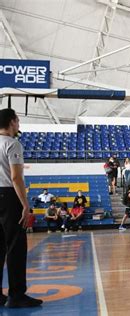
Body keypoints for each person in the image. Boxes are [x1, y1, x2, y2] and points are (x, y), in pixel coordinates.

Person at [0, 108, 42, 308]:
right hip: (8, 196)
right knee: (15, 246)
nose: (18, 125)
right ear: (11, 122)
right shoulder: (12, 143)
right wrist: (25, 205)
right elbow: (16, 177)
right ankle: (16, 295)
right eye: (17, 121)